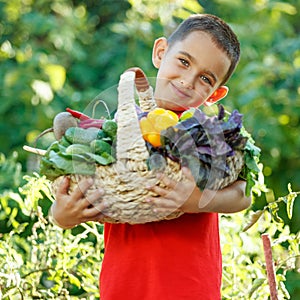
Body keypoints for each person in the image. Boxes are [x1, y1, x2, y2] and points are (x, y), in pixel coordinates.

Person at [50, 14, 252, 299]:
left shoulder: (208, 137)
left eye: (205, 79)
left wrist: (197, 202)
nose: (187, 81)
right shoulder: (117, 127)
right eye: (183, 61)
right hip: (123, 287)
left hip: (191, 287)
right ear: (160, 52)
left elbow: (244, 193)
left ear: (215, 94)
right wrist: (62, 217)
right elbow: (85, 196)